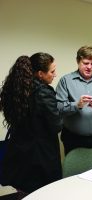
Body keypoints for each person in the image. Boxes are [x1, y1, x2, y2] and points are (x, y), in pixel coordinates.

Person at [0, 53, 62, 193]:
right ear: (40, 73)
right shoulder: (44, 92)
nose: (55, 74)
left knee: (23, 192)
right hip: (40, 156)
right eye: (52, 71)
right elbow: (56, 125)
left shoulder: (16, 89)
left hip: (19, 153)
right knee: (43, 193)